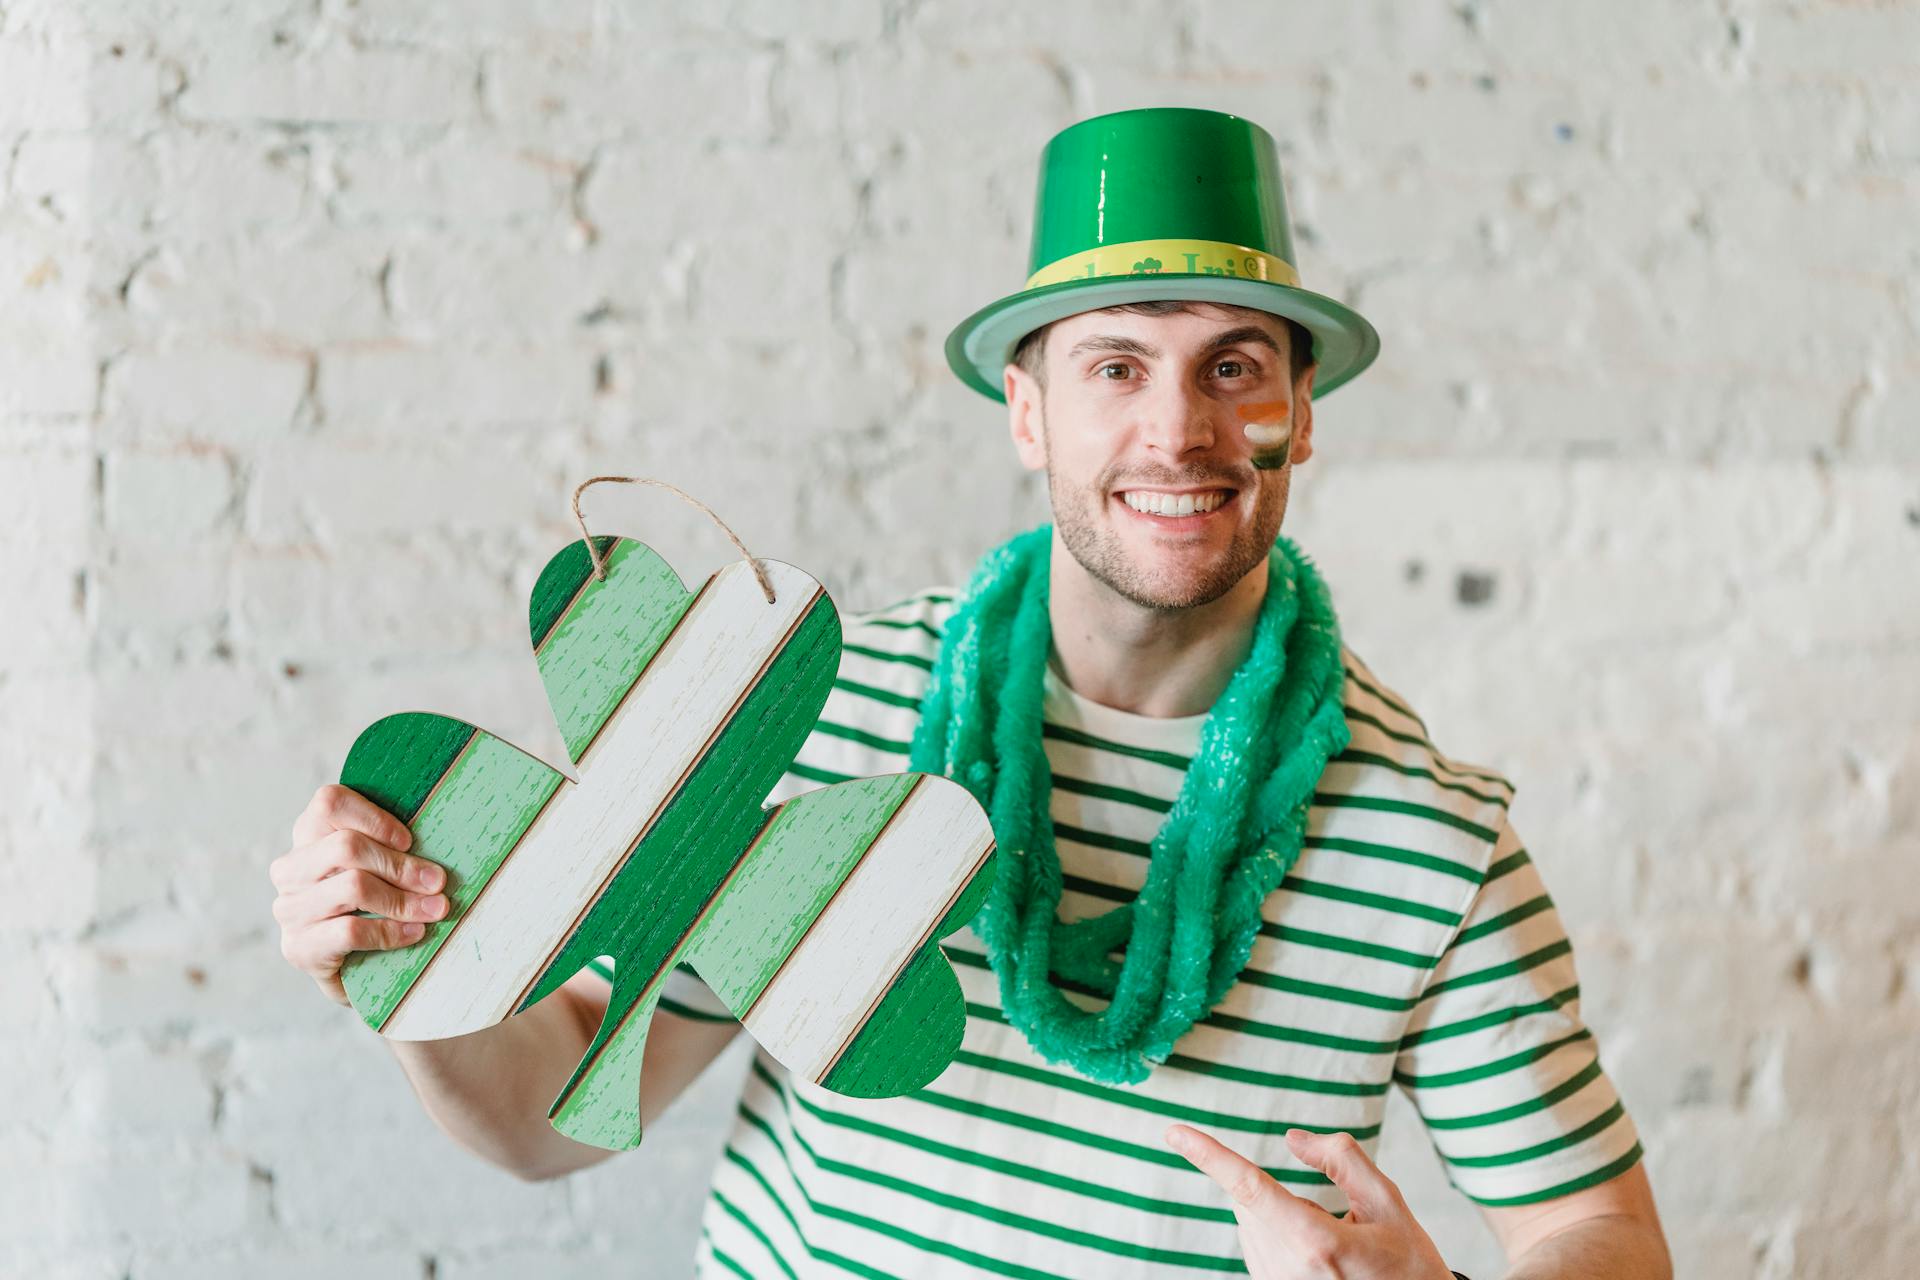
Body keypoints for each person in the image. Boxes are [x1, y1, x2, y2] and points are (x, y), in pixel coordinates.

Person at [269, 108, 1670, 1278]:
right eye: (1114, 366)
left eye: (1231, 368)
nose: (1174, 429)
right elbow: (551, 1116)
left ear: (1299, 411)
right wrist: (400, 963)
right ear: (1026, 411)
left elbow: (1601, 1228)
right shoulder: (811, 717)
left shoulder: (1432, 842)